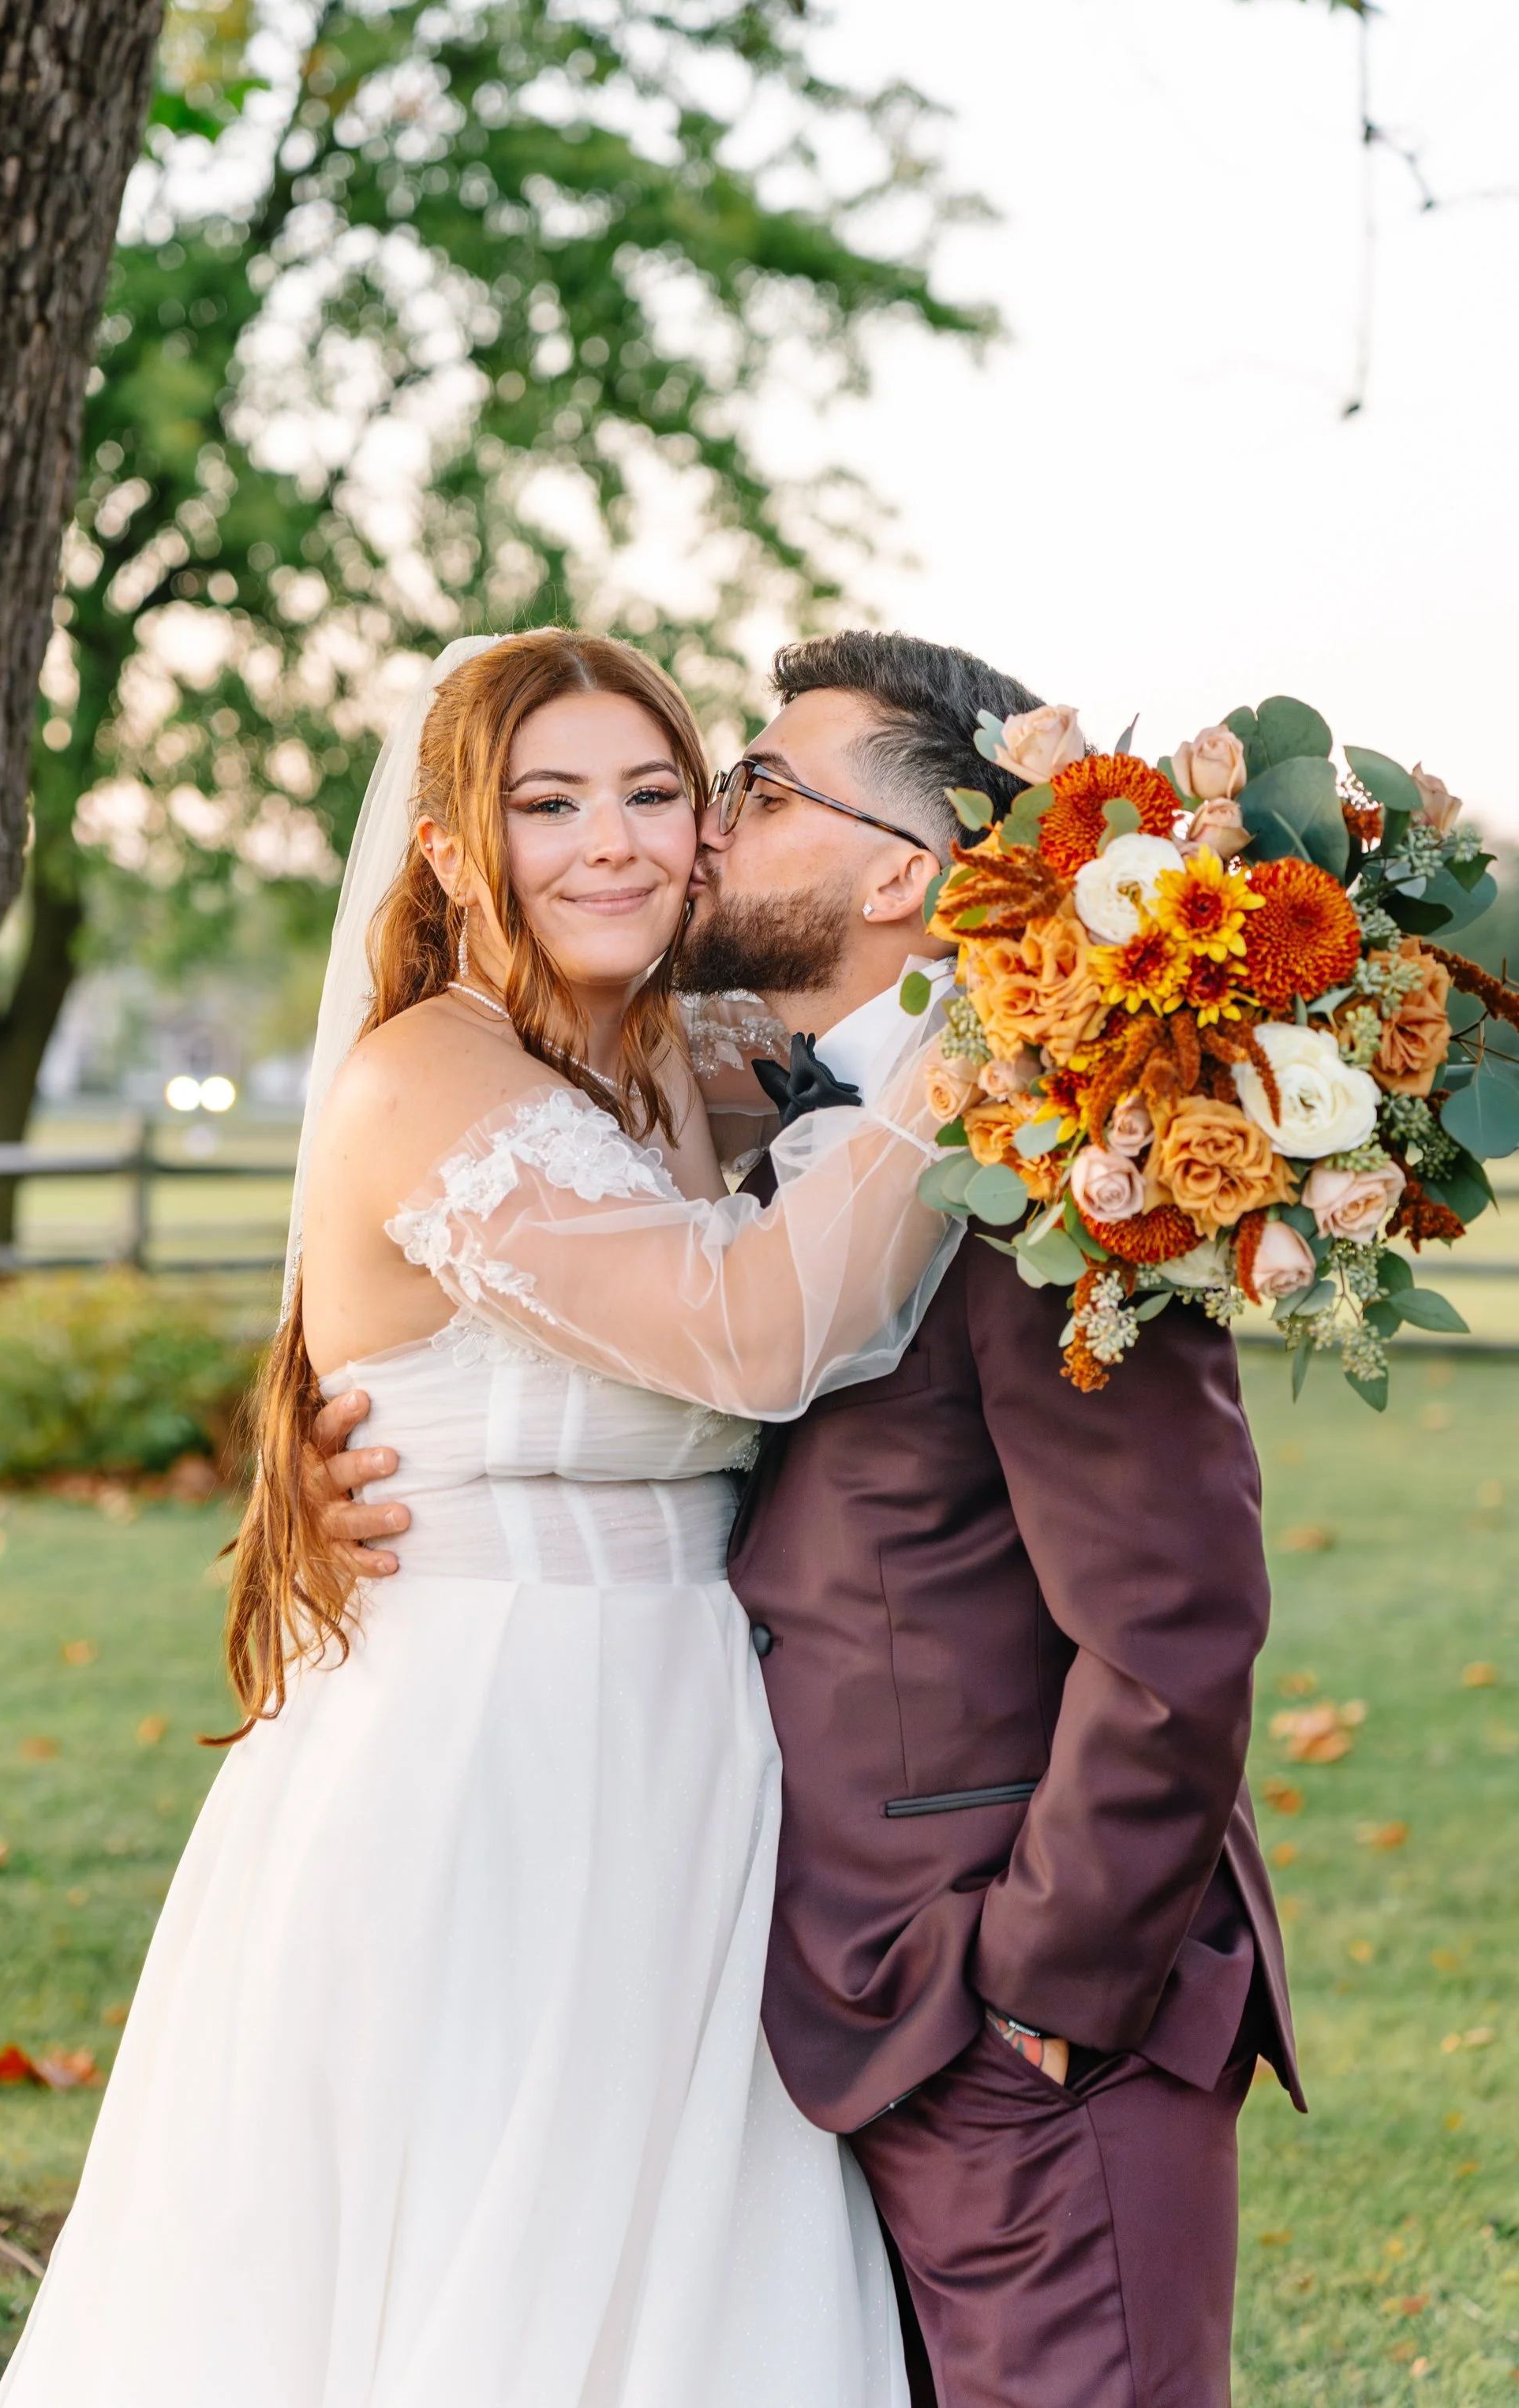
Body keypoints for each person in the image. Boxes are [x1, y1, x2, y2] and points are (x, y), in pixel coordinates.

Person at [321, 630, 1301, 2408]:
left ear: (898, 876)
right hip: (764, 1947)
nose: (690, 834)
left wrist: (1045, 1982)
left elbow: (1172, 1619)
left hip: (1007, 1999)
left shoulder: (1058, 1157)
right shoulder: (742, 1099)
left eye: (746, 792)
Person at [0, 627, 962, 2408]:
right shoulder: (424, 1077)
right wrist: (992, 1049)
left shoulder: (704, 1052)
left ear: (703, 827)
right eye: (546, 804)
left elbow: (876, 955)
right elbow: (752, 1327)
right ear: (452, 852)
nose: (610, 843)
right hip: (473, 1749)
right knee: (467, 2250)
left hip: (689, 1738)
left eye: (654, 793)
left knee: (668, 2261)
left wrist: (1076, 965)